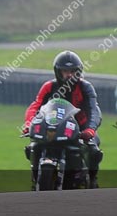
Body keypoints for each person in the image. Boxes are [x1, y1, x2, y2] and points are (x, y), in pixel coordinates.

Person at [23, 51, 103, 188]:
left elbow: (94, 110)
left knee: (94, 150)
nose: (69, 74)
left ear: (79, 71)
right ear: (58, 72)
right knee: (33, 146)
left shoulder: (86, 87)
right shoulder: (49, 86)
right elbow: (35, 106)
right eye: (65, 71)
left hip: (81, 128)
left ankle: (92, 180)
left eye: (73, 71)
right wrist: (29, 123)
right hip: (54, 126)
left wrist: (90, 129)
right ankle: (35, 178)